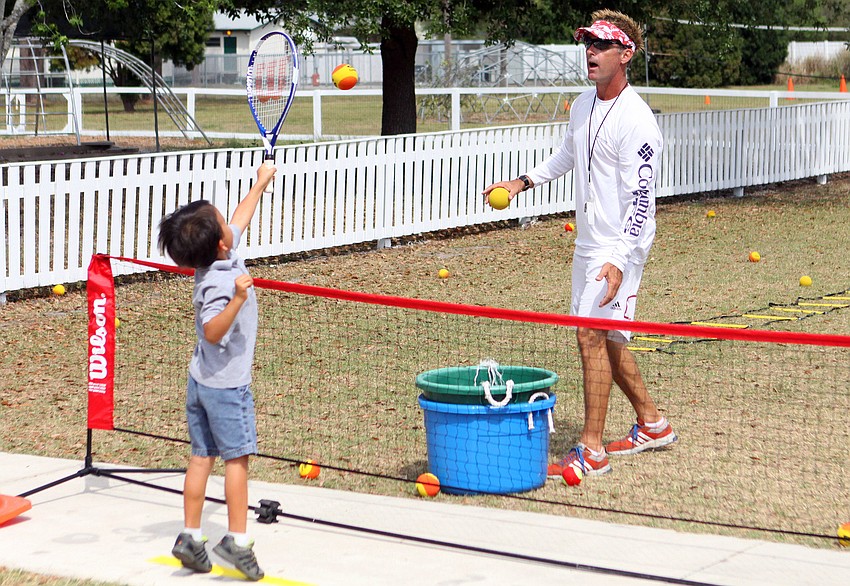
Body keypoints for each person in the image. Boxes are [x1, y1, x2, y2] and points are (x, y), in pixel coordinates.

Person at [482, 9, 676, 478]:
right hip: (588, 243)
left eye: (602, 45)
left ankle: (592, 449)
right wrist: (522, 181)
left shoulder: (638, 121)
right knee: (608, 339)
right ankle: (653, 423)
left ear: (626, 54)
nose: (591, 51)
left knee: (590, 335)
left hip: (621, 245)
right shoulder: (583, 105)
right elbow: (568, 154)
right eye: (588, 43)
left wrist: (620, 260)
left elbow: (642, 201)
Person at [157, 162, 276, 581]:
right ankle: (237, 543)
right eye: (223, 221)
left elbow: (241, 218)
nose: (230, 221)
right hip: (227, 388)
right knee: (236, 462)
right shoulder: (221, 283)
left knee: (201, 457)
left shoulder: (218, 257)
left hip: (201, 382)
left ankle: (191, 538)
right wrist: (238, 300)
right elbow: (211, 331)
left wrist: (260, 183)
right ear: (221, 243)